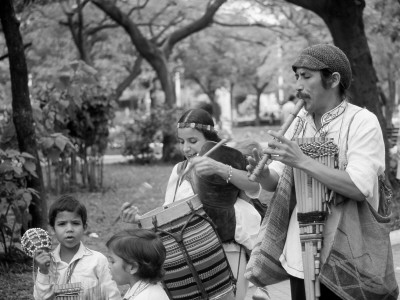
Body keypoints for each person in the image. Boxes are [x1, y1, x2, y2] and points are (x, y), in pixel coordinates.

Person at [247, 44, 386, 299]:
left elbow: (358, 186)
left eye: (306, 76)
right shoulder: (298, 123)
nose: (298, 86)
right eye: (297, 76)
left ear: (333, 80)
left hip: (349, 257)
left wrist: (302, 160)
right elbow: (276, 180)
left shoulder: (362, 121)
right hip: (300, 254)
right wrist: (265, 174)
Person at [121, 108, 261, 300]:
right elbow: (169, 216)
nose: (186, 148)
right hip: (188, 259)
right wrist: (138, 219)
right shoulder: (178, 170)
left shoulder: (227, 161)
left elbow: (253, 184)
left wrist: (218, 167)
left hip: (228, 254)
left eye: (193, 141)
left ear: (210, 139)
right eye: (181, 141)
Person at [33, 194, 121, 300]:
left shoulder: (98, 261)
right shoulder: (47, 263)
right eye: (62, 224)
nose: (69, 229)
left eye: (75, 223)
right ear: (52, 229)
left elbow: (112, 296)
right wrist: (43, 271)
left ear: (84, 227)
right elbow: (41, 298)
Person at [106, 229, 169, 300]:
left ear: (132, 267)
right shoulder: (143, 289)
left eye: (112, 261)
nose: (108, 266)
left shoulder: (145, 297)